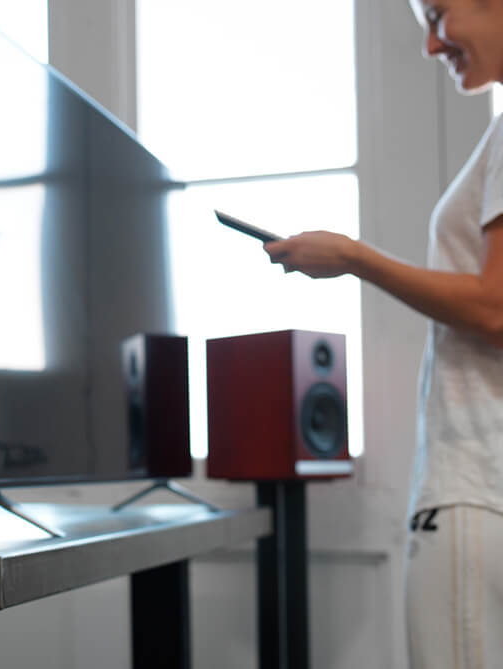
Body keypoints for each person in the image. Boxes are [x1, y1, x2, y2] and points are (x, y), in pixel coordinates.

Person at [264, 1, 503, 666]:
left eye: (438, 14)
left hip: (475, 489)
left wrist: (353, 257)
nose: (430, 46)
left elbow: (496, 309)